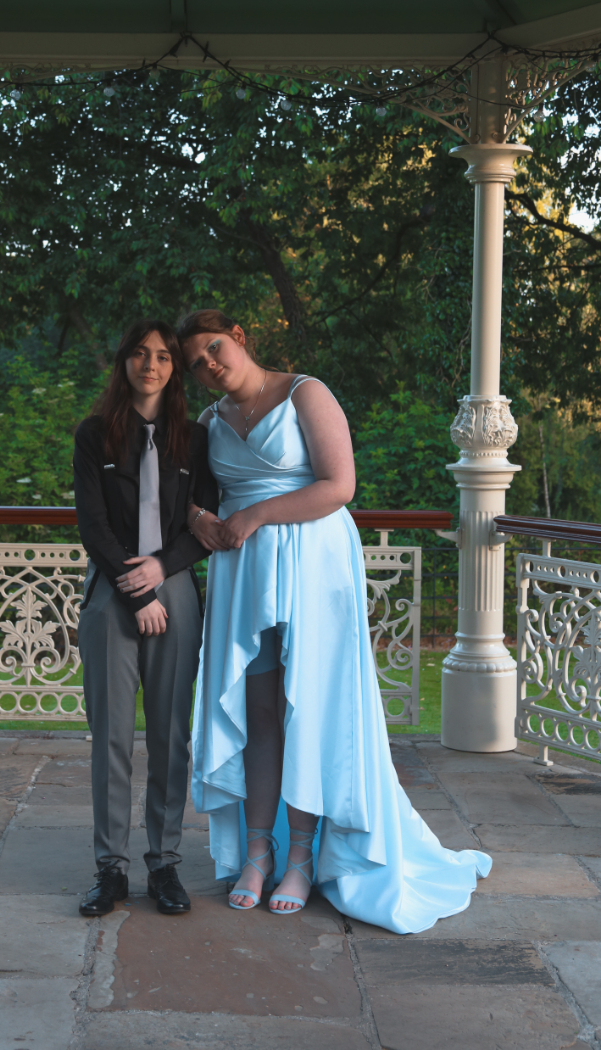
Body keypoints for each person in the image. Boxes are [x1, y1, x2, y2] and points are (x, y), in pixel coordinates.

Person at [179, 308, 491, 930]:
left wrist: (256, 515)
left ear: (239, 337)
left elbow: (340, 485)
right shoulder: (209, 422)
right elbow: (190, 495)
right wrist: (198, 519)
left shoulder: (305, 392)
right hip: (245, 572)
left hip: (313, 562)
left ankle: (302, 856)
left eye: (214, 348)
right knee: (258, 711)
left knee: (309, 708)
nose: (208, 364)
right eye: (196, 363)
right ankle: (258, 853)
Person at [74, 319, 218, 918]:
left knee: (169, 735)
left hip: (175, 588)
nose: (151, 364)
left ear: (173, 368)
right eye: (139, 353)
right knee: (111, 735)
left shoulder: (196, 439)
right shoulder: (95, 434)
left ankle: (164, 863)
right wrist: (136, 592)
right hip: (113, 590)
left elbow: (203, 523)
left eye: (162, 355)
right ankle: (110, 868)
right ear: (124, 362)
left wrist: (161, 570)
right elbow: (92, 525)